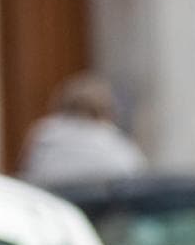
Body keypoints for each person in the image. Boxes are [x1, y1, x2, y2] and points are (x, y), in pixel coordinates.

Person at [17, 72, 146, 185]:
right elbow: (136, 174)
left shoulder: (44, 132)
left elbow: (27, 171)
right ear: (105, 110)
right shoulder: (110, 138)